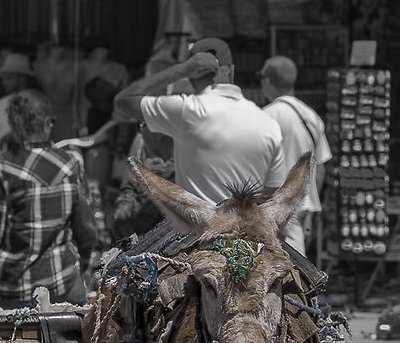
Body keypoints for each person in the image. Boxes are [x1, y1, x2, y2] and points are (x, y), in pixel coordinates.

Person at [110, 38, 286, 208]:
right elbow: (274, 197)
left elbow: (123, 100)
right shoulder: (268, 123)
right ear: (231, 70)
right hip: (247, 236)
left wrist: (180, 70)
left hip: (200, 235)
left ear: (192, 76)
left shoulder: (187, 110)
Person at [0, 90, 104, 308]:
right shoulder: (71, 163)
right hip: (61, 280)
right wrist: (81, 263)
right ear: (47, 123)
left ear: (15, 126)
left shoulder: (2, 167)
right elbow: (87, 230)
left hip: (10, 288)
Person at [257, 55, 331, 256]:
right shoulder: (311, 117)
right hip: (302, 206)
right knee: (298, 266)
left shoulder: (265, 116)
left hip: (274, 206)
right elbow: (321, 168)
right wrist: (312, 205)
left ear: (267, 81)